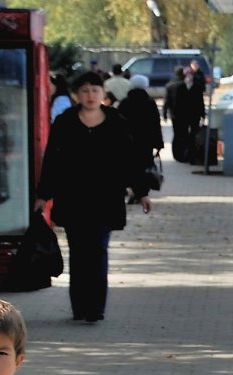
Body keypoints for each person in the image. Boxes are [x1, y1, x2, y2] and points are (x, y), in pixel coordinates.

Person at [35, 71, 151, 323]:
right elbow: (53, 162)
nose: (90, 95)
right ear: (77, 94)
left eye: (95, 90)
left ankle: (96, 308)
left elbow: (130, 161)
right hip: (73, 198)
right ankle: (79, 307)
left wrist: (141, 192)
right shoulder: (65, 122)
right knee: (79, 252)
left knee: (98, 250)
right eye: (85, 90)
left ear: (103, 94)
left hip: (105, 199)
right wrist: (43, 195)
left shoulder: (116, 122)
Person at [117, 74, 164, 180]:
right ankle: (142, 190)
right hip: (146, 142)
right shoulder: (150, 103)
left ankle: (132, 188)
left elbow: (118, 124)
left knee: (129, 166)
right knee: (144, 167)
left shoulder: (125, 102)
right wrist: (159, 144)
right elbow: (156, 124)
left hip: (128, 141)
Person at [163, 67, 187, 162]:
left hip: (173, 114)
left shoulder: (169, 85)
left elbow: (166, 101)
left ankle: (176, 153)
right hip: (184, 114)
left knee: (176, 134)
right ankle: (182, 153)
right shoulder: (184, 85)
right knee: (183, 134)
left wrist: (164, 113)